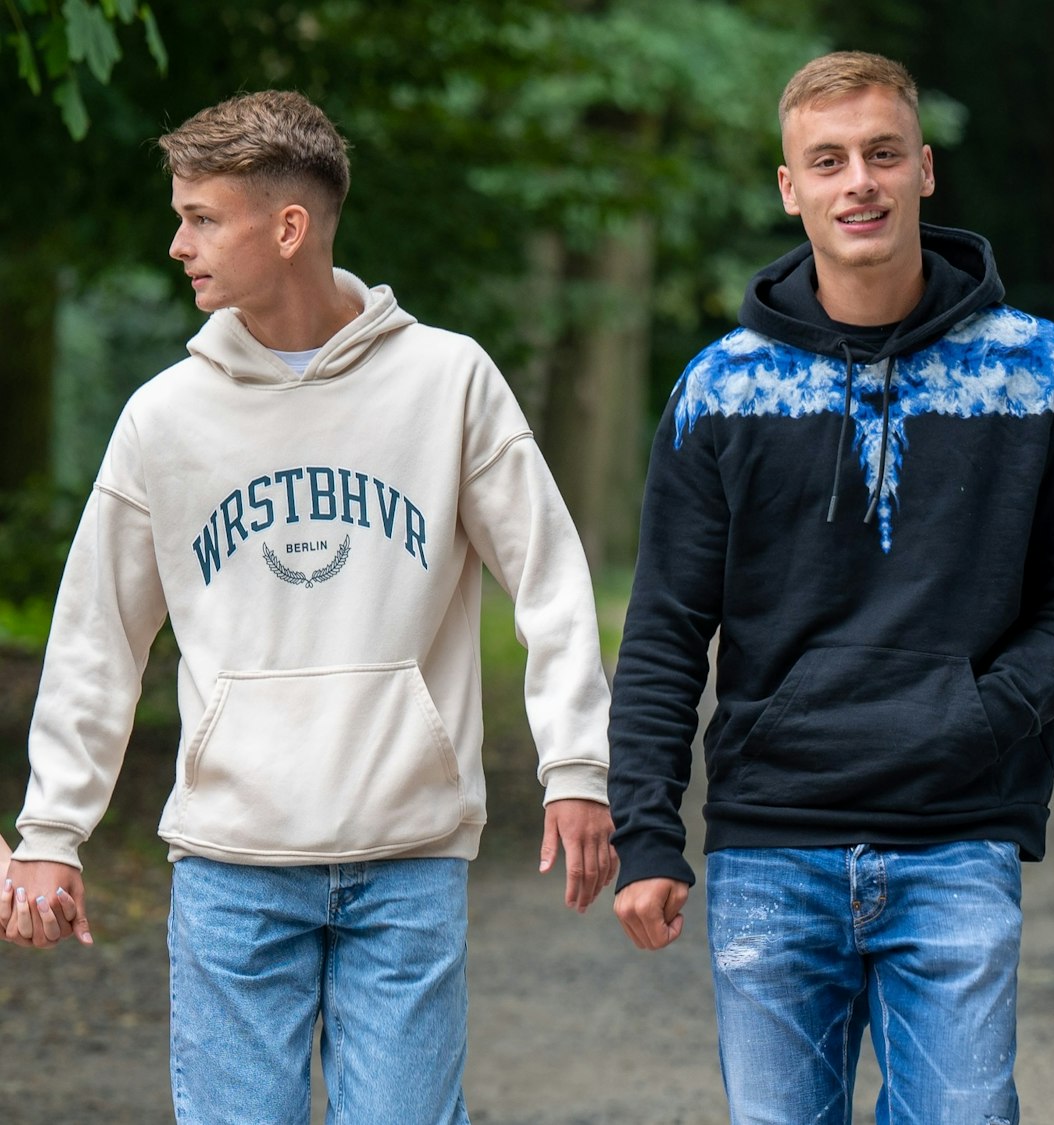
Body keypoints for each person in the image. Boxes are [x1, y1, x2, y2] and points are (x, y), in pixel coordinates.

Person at [5, 92, 616, 1122]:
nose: (177, 242)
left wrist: (576, 768)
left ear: (287, 228)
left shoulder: (446, 381)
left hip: (407, 854)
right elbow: (96, 636)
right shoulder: (165, 417)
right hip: (232, 863)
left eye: (201, 217)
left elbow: (550, 582)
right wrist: (54, 831)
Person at [607, 51, 1054, 1125]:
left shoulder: (1031, 365)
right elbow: (665, 623)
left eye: (882, 154)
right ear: (789, 187)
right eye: (829, 160)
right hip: (770, 841)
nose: (860, 181)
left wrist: (981, 712)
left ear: (924, 172)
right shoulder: (721, 387)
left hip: (956, 835)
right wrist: (646, 831)